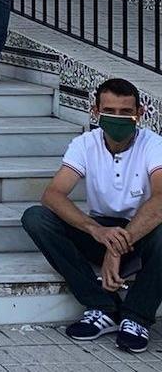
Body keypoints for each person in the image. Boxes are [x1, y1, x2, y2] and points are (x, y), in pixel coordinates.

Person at [21, 78, 162, 354]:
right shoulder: (85, 144)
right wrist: (97, 231)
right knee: (36, 218)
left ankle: (136, 317)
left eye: (126, 112)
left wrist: (118, 246)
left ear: (140, 113)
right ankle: (101, 306)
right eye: (110, 111)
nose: (118, 118)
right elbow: (53, 194)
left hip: (142, 233)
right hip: (100, 228)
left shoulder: (153, 145)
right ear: (95, 110)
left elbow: (160, 199)